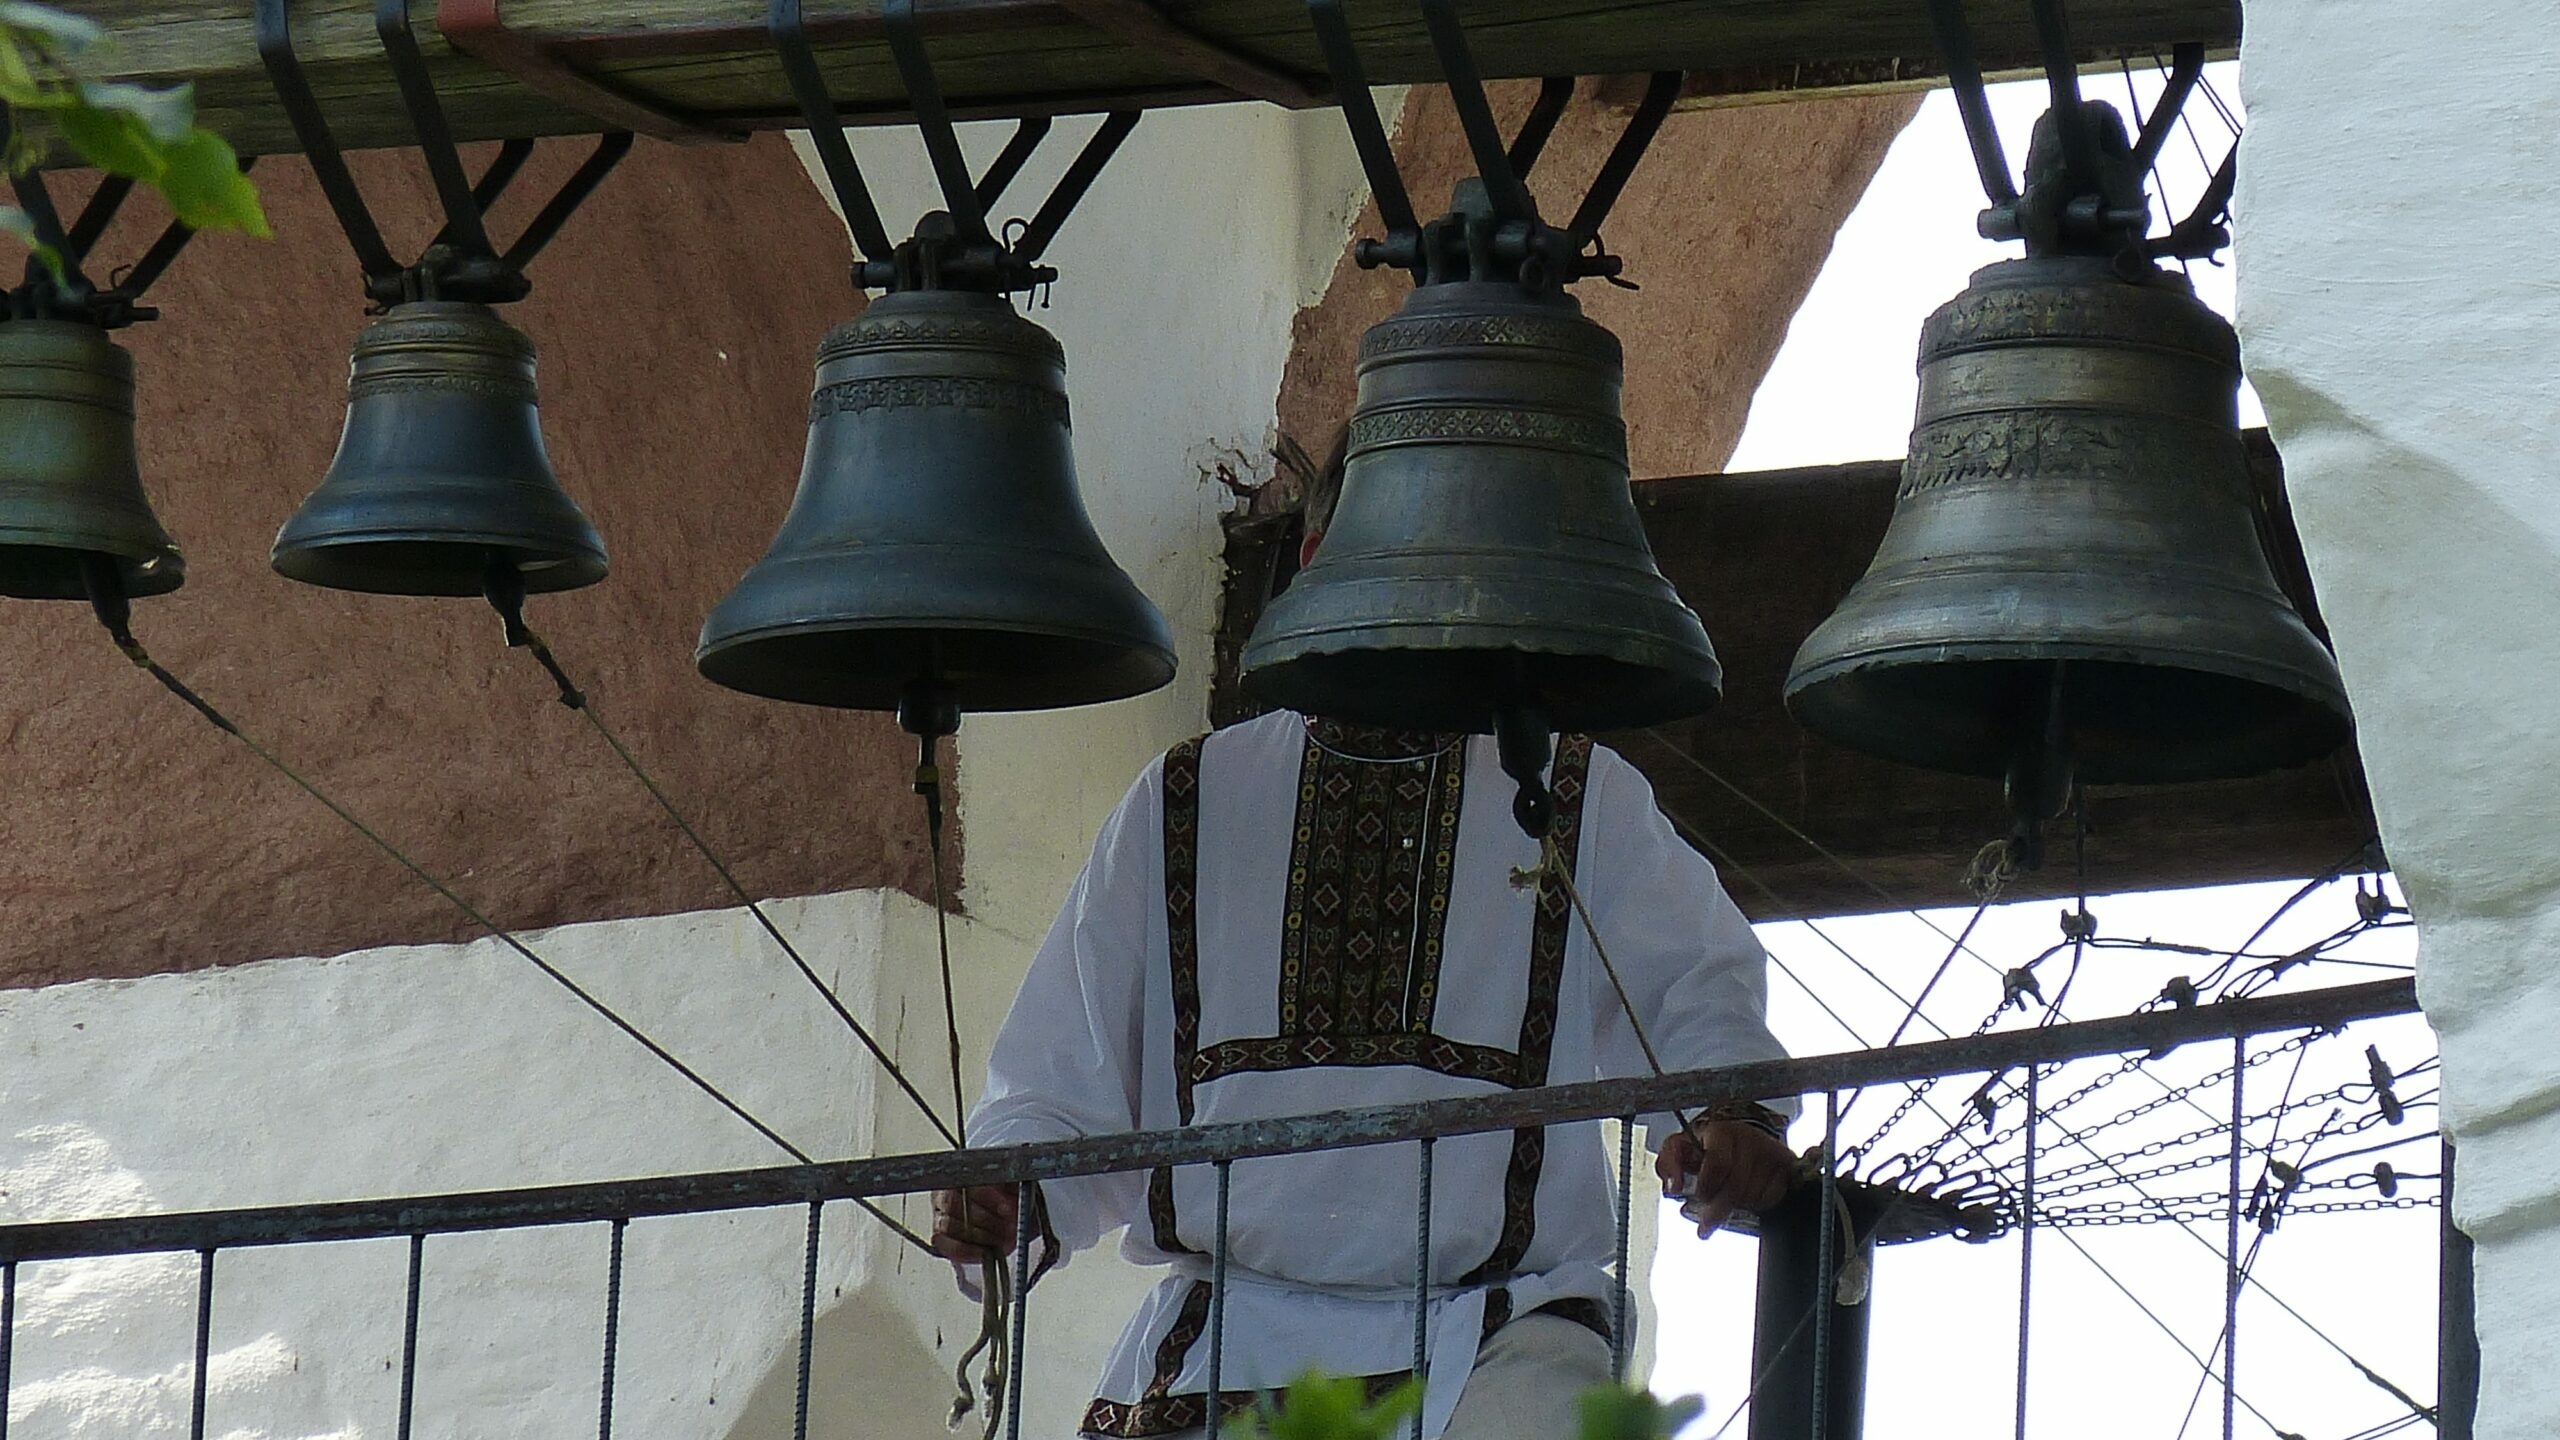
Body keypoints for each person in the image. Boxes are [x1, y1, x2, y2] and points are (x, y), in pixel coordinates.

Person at [932, 486, 1796, 1440]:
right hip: (1225, 1338)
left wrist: (1726, 1118)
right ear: (1313, 561)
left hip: (1503, 1339)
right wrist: (1011, 1195)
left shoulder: (1581, 797)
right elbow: (1065, 1075)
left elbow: (1693, 988)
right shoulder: (1187, 799)